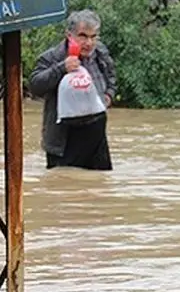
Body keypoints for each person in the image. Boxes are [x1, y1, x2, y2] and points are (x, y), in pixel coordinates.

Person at [27, 9, 117, 171]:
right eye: (83, 36)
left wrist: (109, 95)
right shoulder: (53, 57)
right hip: (63, 138)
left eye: (93, 36)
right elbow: (35, 86)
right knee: (64, 188)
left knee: (99, 187)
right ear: (69, 35)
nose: (89, 43)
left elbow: (111, 77)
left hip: (96, 137)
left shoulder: (100, 53)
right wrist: (61, 68)